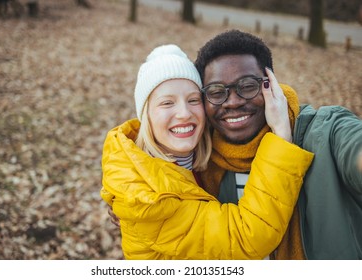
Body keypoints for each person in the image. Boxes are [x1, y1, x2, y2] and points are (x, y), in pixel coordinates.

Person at [101, 44, 314, 259]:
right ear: (146, 116)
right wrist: (280, 135)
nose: (184, 114)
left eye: (193, 100)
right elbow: (246, 238)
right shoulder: (148, 199)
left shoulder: (191, 161)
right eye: (167, 103)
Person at [194, 29, 362, 260]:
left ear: (270, 84)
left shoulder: (325, 133)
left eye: (247, 86)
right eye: (216, 91)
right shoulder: (199, 163)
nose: (232, 102)